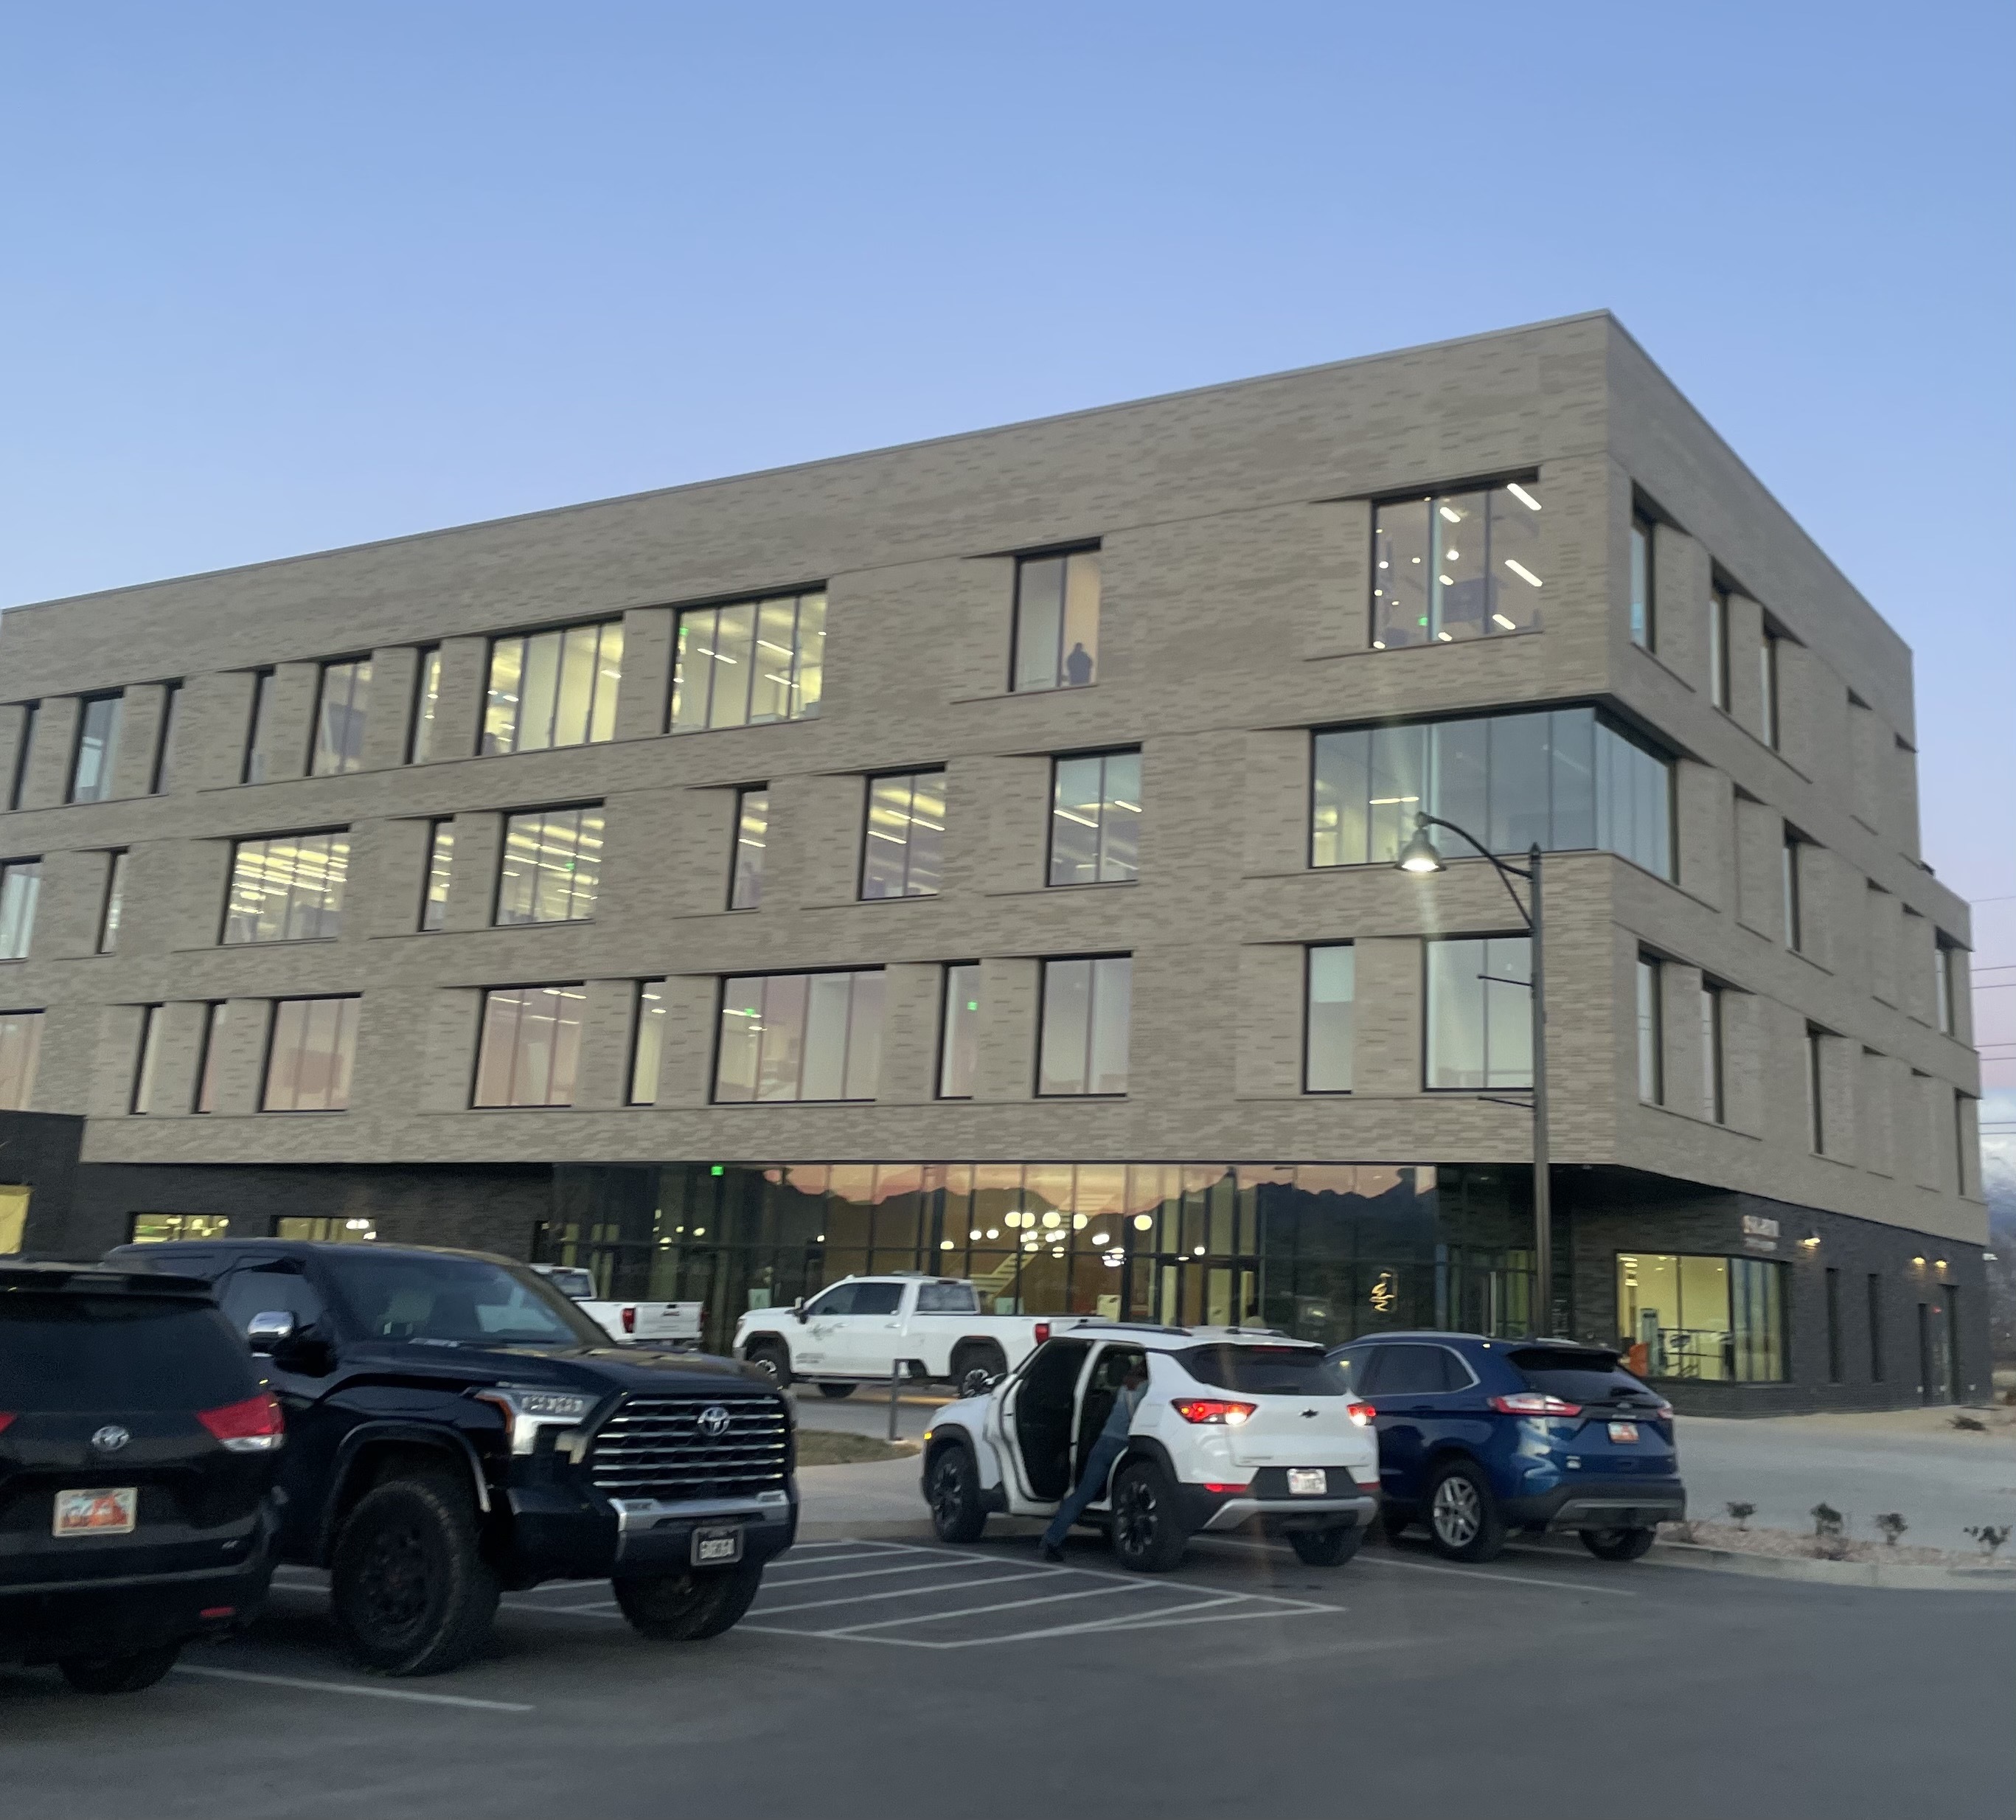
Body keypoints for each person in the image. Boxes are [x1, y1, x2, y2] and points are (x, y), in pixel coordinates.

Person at [1039, 1358, 1147, 1562]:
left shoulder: (1125, 1387)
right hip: (1125, 1446)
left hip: (1104, 1442)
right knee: (1127, 1496)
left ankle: (1052, 1539)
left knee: (1083, 1494)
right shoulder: (1148, 1389)